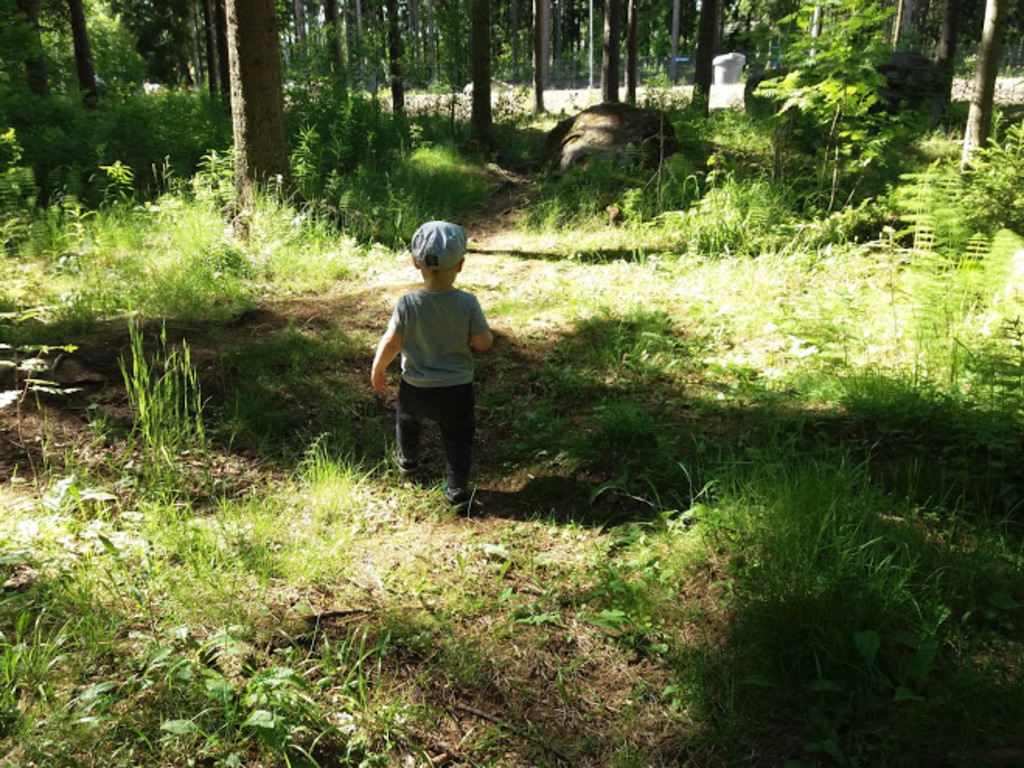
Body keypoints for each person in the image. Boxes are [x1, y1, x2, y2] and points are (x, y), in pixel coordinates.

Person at [371, 221, 493, 512]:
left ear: (415, 262)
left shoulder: (408, 303)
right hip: (457, 389)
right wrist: (479, 338)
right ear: (461, 265)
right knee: (458, 437)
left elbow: (391, 342)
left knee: (407, 420)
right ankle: (457, 489)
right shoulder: (467, 303)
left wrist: (377, 370)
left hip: (416, 387)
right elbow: (483, 343)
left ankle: (407, 460)